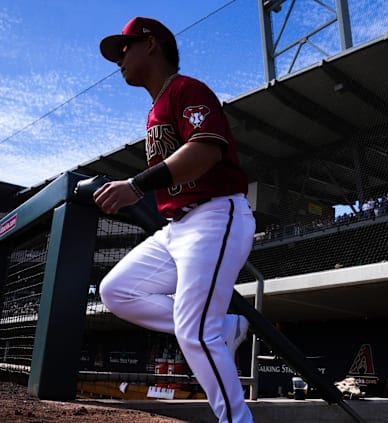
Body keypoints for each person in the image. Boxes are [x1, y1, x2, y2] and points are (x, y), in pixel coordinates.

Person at [95, 17, 255, 423]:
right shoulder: (155, 108)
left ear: (150, 44)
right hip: (178, 228)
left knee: (196, 331)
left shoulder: (187, 88)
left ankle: (237, 420)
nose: (119, 59)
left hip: (217, 214)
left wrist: (135, 184)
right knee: (116, 291)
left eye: (125, 48)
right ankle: (224, 326)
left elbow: (206, 150)